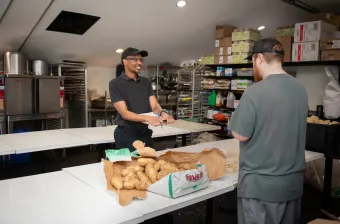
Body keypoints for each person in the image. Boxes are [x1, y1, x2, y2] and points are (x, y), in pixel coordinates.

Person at [229, 38, 308, 224]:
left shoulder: (254, 92)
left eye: (252, 61)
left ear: (259, 59)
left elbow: (240, 134)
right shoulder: (300, 89)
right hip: (293, 185)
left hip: (261, 188)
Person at [109, 47, 174, 151]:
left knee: (150, 163)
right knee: (131, 167)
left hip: (145, 133)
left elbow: (154, 106)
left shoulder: (145, 82)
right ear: (125, 61)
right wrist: (148, 118)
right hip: (126, 134)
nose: (139, 62)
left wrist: (162, 113)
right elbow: (125, 113)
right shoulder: (115, 83)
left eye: (141, 60)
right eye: (135, 59)